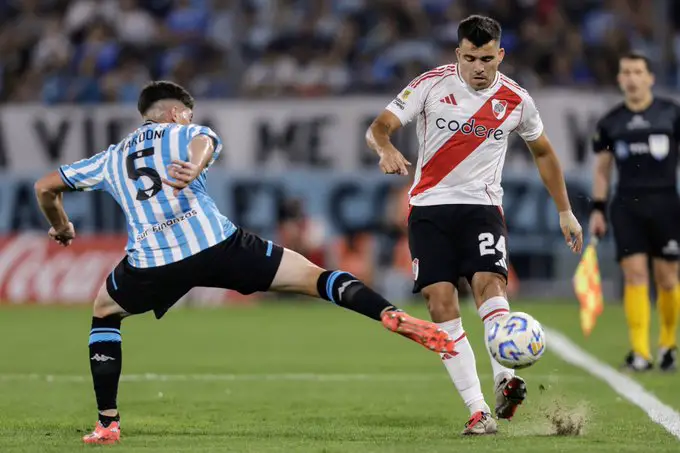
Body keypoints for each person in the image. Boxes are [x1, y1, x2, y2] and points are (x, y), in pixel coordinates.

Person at [33, 81, 456, 445]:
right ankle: (389, 312)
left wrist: (64, 226)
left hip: (153, 261)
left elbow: (46, 186)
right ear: (177, 112)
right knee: (315, 277)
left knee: (105, 312)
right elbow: (208, 141)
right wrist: (195, 166)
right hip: (219, 244)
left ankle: (107, 424)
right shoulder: (179, 131)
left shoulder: (112, 156)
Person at [365, 15, 583, 435]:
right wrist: (385, 147)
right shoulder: (430, 84)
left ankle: (505, 379)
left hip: (481, 208)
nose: (479, 68)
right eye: (470, 58)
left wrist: (565, 210)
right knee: (440, 302)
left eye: (487, 58)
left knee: (489, 286)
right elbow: (379, 127)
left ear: (500, 54)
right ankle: (479, 411)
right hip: (429, 209)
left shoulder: (516, 99)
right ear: (457, 54)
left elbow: (544, 153)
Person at [590, 53, 680, 372]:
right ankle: (640, 351)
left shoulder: (671, 114)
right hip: (627, 205)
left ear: (650, 77)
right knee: (635, 275)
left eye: (638, 71)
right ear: (619, 79)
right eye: (626, 72)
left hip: (667, 204)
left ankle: (668, 345)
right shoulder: (611, 122)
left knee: (668, 279)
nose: (631, 77)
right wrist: (598, 209)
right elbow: (602, 171)